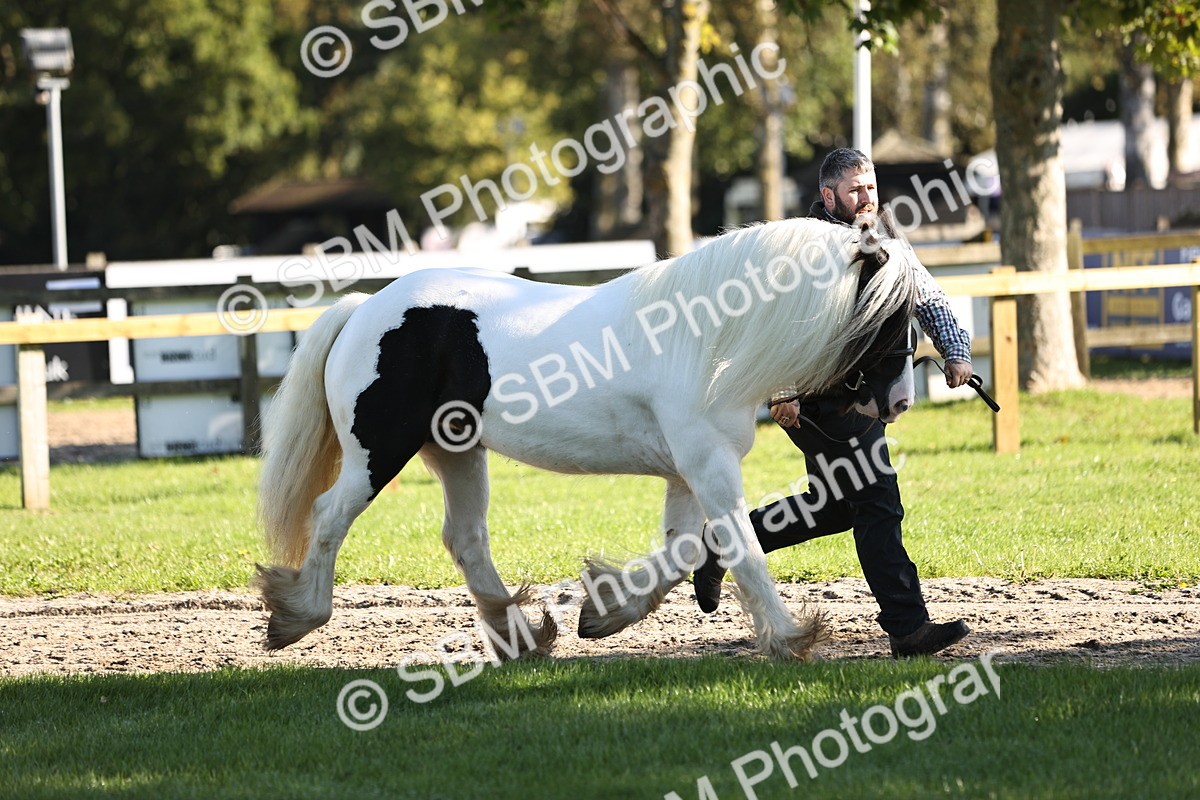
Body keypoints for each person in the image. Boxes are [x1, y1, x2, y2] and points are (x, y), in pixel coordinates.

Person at [693, 147, 973, 657]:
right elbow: (775, 325)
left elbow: (928, 298)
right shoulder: (807, 248)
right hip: (815, 402)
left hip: (863, 400)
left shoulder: (888, 241)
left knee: (834, 507)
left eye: (871, 187)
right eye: (855, 190)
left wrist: (955, 351)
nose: (867, 198)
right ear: (829, 196)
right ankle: (909, 628)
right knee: (877, 501)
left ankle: (723, 541)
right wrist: (781, 391)